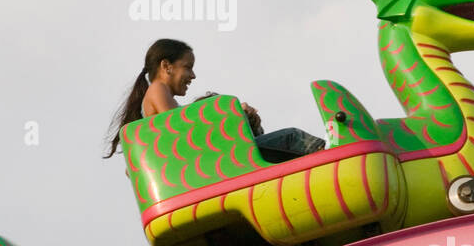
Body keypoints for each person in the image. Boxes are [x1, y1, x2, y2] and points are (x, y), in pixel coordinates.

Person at [103, 39, 325, 163]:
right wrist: (230, 116)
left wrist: (242, 118)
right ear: (166, 66)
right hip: (209, 163)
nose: (193, 76)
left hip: (206, 161)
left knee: (272, 141)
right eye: (187, 67)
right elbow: (181, 129)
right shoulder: (157, 89)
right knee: (291, 136)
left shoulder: (158, 94)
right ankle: (331, 153)